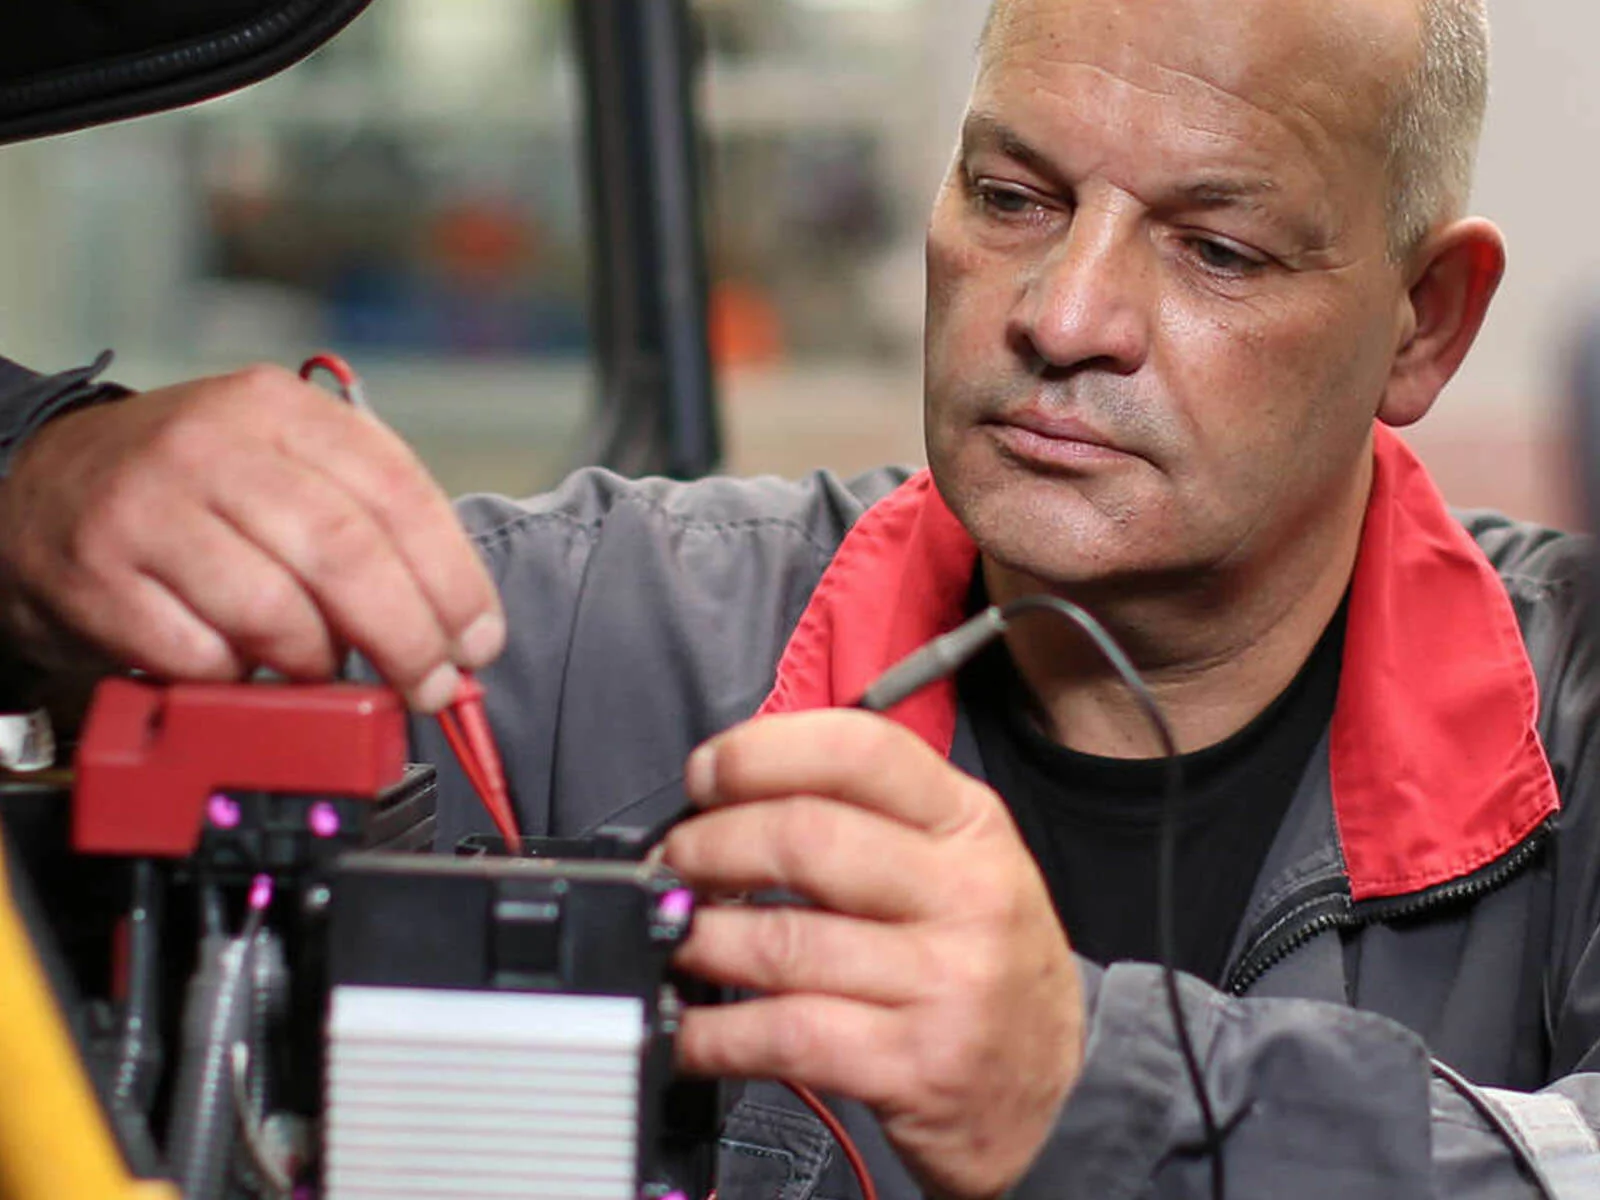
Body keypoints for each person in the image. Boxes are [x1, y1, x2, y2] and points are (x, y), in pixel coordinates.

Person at [2, 0, 1598, 1194]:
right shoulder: (608, 635)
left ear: (1425, 323)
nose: (1064, 314)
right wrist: (38, 476)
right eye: (1013, 198)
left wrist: (1085, 1087)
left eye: (1219, 251)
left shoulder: (1573, 722)